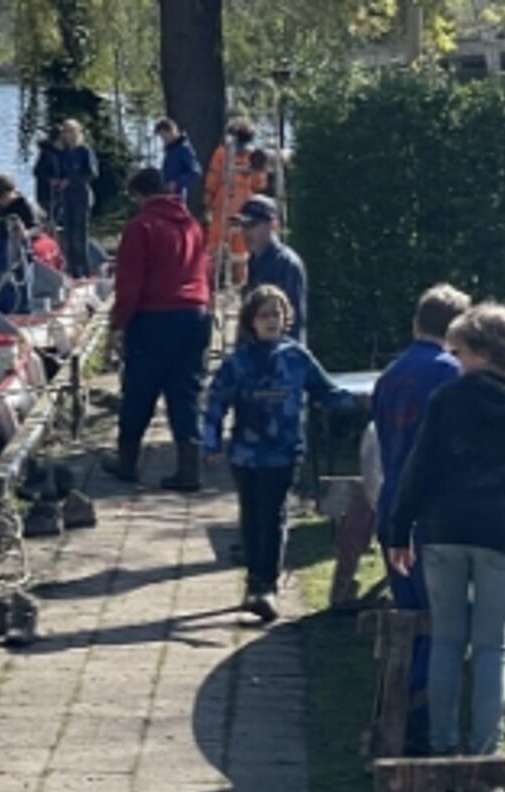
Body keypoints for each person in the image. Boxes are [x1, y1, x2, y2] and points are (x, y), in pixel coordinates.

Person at [383, 303, 505, 756]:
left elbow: (419, 469)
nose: (456, 361)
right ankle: (484, 754)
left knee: (446, 641)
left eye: (459, 352)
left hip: (443, 531)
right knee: (491, 649)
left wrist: (399, 530)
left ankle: (442, 746)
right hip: (502, 537)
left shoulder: (447, 400)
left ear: (480, 351)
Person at [203, 285, 362, 622]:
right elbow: (216, 401)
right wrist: (211, 441)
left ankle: (267, 586)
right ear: (251, 322)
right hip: (246, 455)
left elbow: (326, 392)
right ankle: (254, 579)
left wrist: (364, 402)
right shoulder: (239, 362)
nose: (271, 321)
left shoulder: (296, 357)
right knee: (251, 515)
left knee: (273, 516)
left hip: (284, 454)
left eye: (277, 314)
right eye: (264, 315)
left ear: (286, 318)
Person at [371, 284, 472, 750]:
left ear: (416, 323)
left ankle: (393, 709)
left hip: (392, 505)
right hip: (433, 513)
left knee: (408, 615)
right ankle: (421, 718)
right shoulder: (455, 375)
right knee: (441, 620)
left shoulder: (390, 375)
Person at [106, 166, 210, 491]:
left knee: (140, 389)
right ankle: (189, 466)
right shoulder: (192, 225)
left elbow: (130, 283)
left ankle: (127, 462)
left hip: (155, 316)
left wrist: (119, 323)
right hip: (195, 312)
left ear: (138, 195)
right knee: (186, 391)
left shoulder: (141, 227)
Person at [204, 117, 266, 289]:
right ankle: (213, 286)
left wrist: (256, 169)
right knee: (216, 250)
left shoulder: (252, 156)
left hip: (239, 210)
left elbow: (259, 184)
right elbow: (214, 175)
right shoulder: (223, 153)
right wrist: (208, 198)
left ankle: (238, 289)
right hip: (226, 206)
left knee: (239, 253)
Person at [237, 195, 308, 343]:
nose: (246, 232)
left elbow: (293, 323)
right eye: (243, 225)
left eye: (253, 225)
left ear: (272, 225)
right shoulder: (253, 261)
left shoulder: (287, 263)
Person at [0, 174, 39, 312]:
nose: (0, 203)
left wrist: (25, 233)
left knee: (19, 296)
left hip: (18, 260)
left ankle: (22, 320)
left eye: (1, 199)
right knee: (2, 297)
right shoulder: (0, 209)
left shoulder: (22, 206)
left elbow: (36, 228)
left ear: (8, 193)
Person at [52, 119, 98, 280]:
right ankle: (72, 270)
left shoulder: (84, 150)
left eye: (70, 131)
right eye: (65, 131)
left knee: (80, 234)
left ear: (77, 133)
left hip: (81, 195)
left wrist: (71, 180)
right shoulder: (63, 153)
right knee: (68, 234)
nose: (67, 135)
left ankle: (84, 269)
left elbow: (92, 173)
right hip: (66, 196)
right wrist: (58, 181)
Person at [155, 118, 203, 205]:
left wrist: (176, 183)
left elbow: (195, 171)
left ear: (171, 131)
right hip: (167, 196)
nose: (163, 140)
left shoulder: (184, 149)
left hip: (178, 197)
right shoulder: (170, 151)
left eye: (164, 136)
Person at [32, 128, 61, 218]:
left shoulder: (60, 153)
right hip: (46, 194)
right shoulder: (47, 153)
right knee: (49, 219)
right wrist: (50, 180)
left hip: (58, 193)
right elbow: (37, 171)